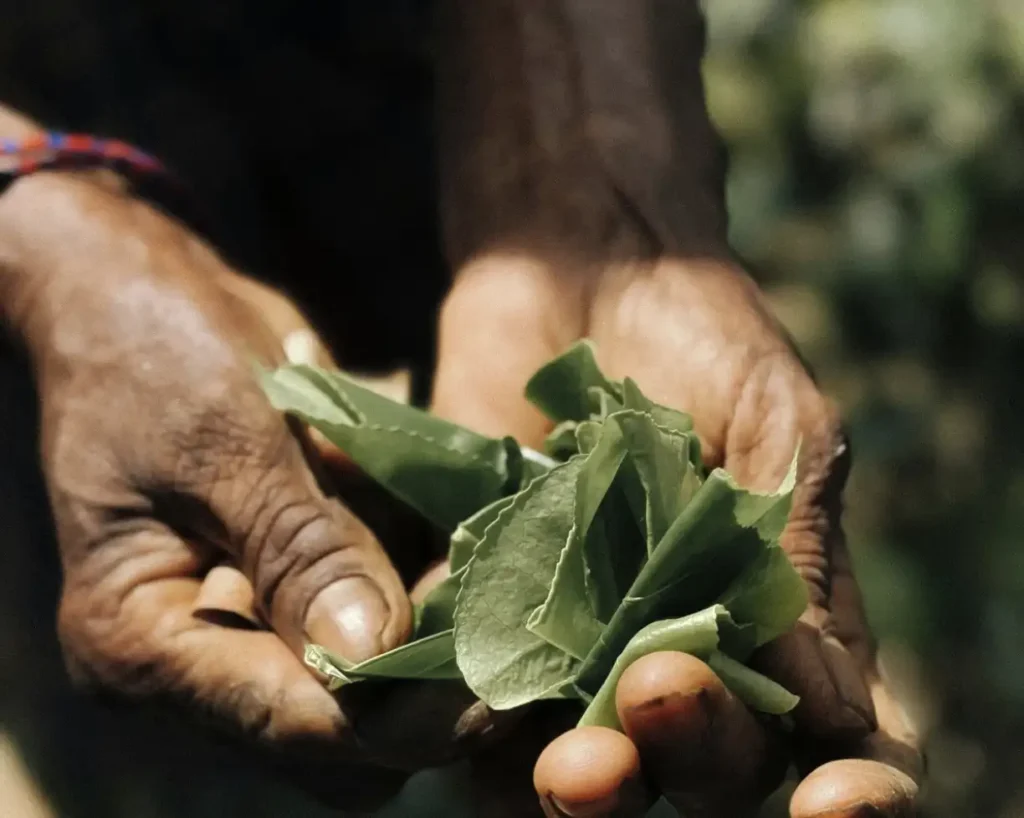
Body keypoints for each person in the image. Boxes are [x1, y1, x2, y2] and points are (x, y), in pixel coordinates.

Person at [0, 0, 922, 815]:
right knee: (178, 673)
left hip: (410, 112)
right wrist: (35, 233)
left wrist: (589, 172)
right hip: (54, 359)